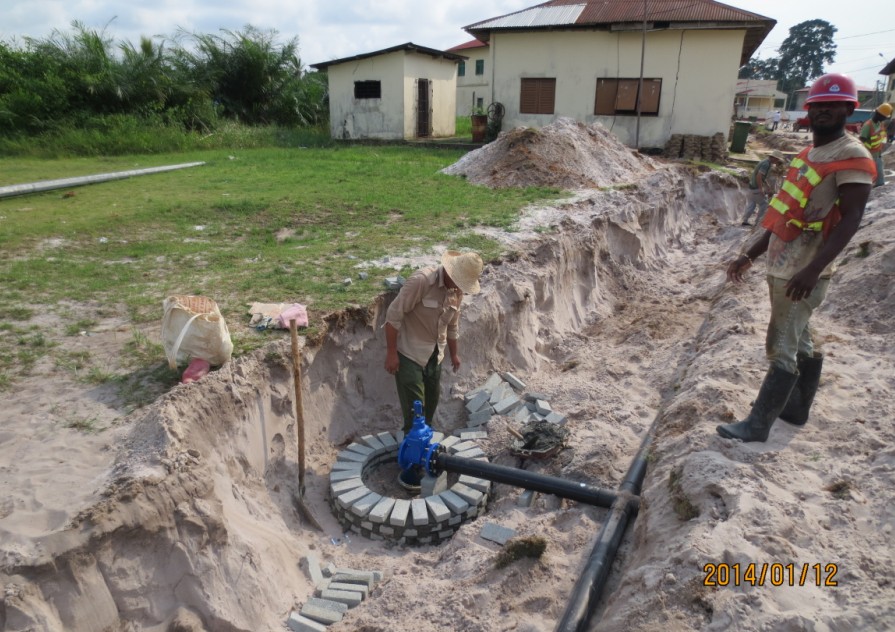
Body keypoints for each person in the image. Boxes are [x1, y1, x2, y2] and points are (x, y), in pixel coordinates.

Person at [717, 73, 876, 443]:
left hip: (802, 270)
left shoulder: (851, 155)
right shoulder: (809, 154)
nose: (824, 111)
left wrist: (813, 270)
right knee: (802, 338)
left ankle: (757, 426)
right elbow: (780, 214)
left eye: (833, 105)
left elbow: (852, 217)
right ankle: (797, 409)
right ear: (809, 110)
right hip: (783, 263)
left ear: (848, 109)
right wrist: (749, 255)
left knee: (781, 345)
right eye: (819, 105)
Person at [384, 250, 484, 489]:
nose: (461, 288)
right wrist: (391, 353)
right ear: (450, 272)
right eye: (460, 282)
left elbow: (453, 325)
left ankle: (419, 447)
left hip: (433, 356)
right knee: (415, 410)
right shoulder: (421, 282)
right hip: (410, 353)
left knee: (431, 403)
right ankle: (410, 466)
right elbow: (393, 316)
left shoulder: (456, 292)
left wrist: (454, 353)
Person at [740, 150, 785, 226]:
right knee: (764, 204)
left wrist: (767, 185)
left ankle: (745, 220)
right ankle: (758, 222)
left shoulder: (765, 162)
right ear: (774, 158)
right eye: (777, 159)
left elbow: (761, 177)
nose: (777, 161)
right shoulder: (766, 164)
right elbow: (759, 176)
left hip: (752, 186)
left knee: (752, 204)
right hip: (756, 188)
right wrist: (761, 189)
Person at [859, 103, 892, 187]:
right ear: (879, 114)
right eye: (884, 117)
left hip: (878, 153)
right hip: (870, 155)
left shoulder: (879, 124)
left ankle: (879, 186)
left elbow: (879, 137)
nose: (884, 119)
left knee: (879, 175)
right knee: (867, 175)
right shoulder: (868, 126)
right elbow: (861, 141)